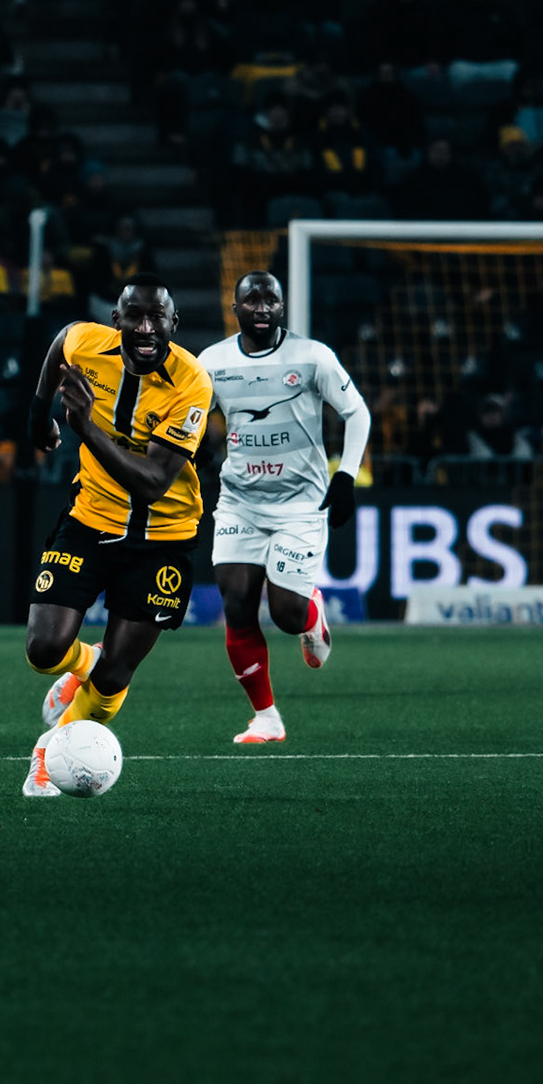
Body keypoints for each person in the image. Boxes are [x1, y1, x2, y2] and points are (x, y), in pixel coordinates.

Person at [21, 275, 215, 797]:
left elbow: (153, 483)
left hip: (165, 538)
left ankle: (48, 756)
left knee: (117, 670)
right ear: (117, 320)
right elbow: (61, 341)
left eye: (158, 318)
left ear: (175, 324)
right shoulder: (88, 342)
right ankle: (80, 660)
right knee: (43, 650)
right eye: (136, 316)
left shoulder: (192, 383)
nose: (146, 328)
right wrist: (40, 415)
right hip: (90, 520)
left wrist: (85, 429)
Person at [197, 271, 370, 745]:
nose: (260, 305)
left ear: (282, 307)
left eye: (269, 298)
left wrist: (346, 476)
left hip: (300, 503)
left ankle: (311, 612)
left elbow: (357, 413)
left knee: (287, 614)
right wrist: (198, 450)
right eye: (250, 298)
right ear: (235, 309)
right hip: (239, 502)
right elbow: (187, 413)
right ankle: (266, 718)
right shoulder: (212, 362)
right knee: (236, 603)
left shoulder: (313, 357)